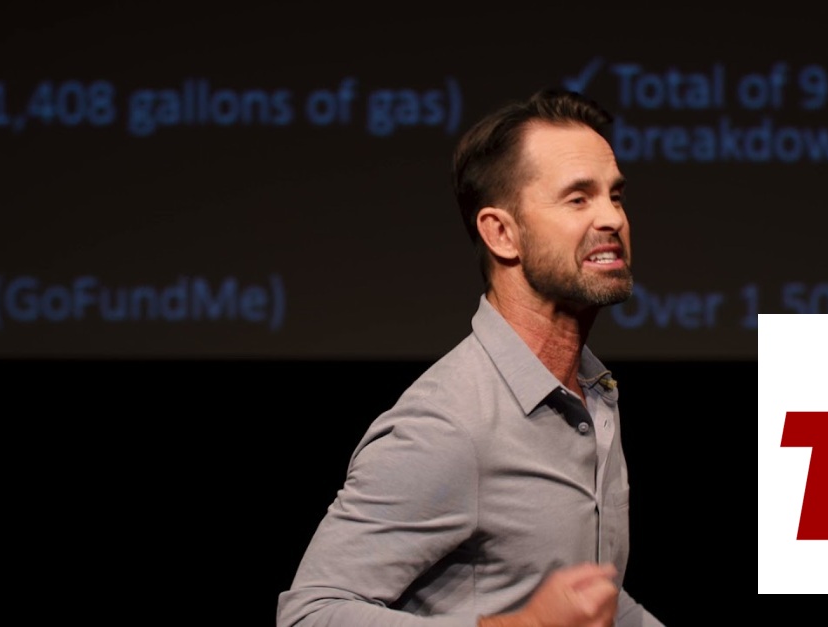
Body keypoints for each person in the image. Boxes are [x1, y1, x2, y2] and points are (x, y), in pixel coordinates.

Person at [276, 88, 665, 627]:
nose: (611, 218)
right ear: (502, 234)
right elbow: (308, 614)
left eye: (615, 196)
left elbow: (594, 601)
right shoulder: (448, 424)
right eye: (578, 199)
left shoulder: (592, 398)